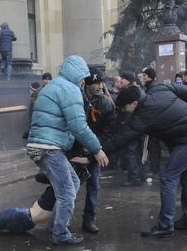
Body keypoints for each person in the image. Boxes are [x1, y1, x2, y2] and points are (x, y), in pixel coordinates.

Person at [103, 84, 187, 238]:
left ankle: (166, 225)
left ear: (134, 103)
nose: (123, 111)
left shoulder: (142, 117)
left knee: (168, 177)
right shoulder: (158, 88)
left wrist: (95, 153)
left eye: (124, 108)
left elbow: (120, 139)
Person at [27, 55, 109, 245]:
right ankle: (61, 233)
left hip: (44, 145)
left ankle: (56, 226)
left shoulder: (54, 85)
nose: (83, 81)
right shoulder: (70, 89)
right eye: (83, 77)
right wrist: (97, 150)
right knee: (67, 193)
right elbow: (79, 126)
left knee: (71, 182)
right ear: (76, 73)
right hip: (49, 148)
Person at [81, 67, 116, 233]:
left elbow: (109, 131)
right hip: (74, 149)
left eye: (101, 82)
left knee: (93, 185)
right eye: (95, 82)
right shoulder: (77, 97)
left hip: (94, 149)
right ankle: (58, 221)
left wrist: (95, 149)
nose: (99, 86)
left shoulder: (106, 103)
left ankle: (89, 220)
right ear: (87, 84)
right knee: (66, 186)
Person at [118, 71, 144, 186]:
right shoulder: (137, 90)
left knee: (131, 152)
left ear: (128, 80)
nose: (120, 81)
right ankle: (138, 175)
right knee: (134, 151)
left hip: (130, 125)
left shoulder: (131, 92)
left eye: (122, 79)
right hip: (134, 125)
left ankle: (134, 177)